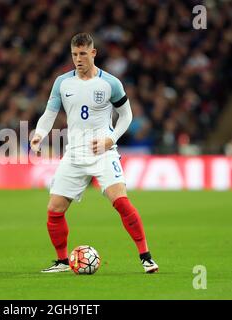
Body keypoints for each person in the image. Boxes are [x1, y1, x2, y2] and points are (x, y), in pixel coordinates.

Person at [30, 33, 158, 274]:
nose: (78, 59)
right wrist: (39, 133)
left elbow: (127, 116)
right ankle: (61, 262)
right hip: (74, 153)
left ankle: (146, 256)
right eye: (74, 54)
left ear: (93, 53)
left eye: (82, 54)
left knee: (120, 201)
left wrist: (111, 139)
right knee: (54, 209)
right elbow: (49, 114)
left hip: (103, 152)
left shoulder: (110, 83)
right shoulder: (62, 83)